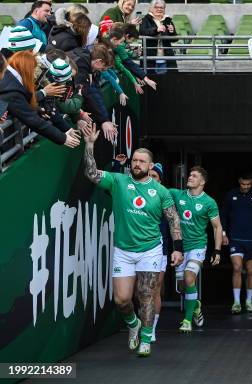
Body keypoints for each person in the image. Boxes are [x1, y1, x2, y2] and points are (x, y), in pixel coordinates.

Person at [81, 123, 183, 357]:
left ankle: (146, 339)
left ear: (150, 166)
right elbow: (91, 173)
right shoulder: (118, 182)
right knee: (122, 300)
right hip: (124, 250)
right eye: (134, 160)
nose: (136, 164)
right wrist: (88, 146)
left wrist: (177, 248)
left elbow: (173, 220)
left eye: (141, 161)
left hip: (150, 250)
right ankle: (133, 324)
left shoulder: (161, 192)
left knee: (145, 295)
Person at [169, 166, 223, 333]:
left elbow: (217, 227)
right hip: (180, 247)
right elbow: (157, 188)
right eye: (190, 175)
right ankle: (196, 305)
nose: (190, 177)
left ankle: (186, 320)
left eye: (194, 176)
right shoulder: (178, 194)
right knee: (182, 287)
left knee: (189, 277)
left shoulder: (209, 202)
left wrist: (217, 250)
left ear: (202, 182)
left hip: (198, 246)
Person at [0, 51, 79, 148]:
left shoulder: (11, 78)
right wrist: (62, 138)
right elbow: (31, 119)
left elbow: (24, 104)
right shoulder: (11, 88)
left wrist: (37, 109)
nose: (35, 76)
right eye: (34, 70)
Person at [221, 173, 252, 314]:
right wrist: (223, 234)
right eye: (243, 184)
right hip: (235, 238)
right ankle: (236, 303)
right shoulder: (231, 195)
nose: (246, 187)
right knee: (237, 268)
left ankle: (248, 301)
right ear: (239, 182)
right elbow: (223, 215)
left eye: (248, 184)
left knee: (251, 271)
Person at [147, 163, 171, 343]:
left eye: (155, 176)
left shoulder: (164, 196)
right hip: (135, 249)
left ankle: (151, 329)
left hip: (159, 250)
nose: (151, 178)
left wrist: (178, 249)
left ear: (160, 180)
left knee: (154, 289)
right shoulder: (134, 193)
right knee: (136, 293)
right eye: (149, 175)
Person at [139, 0, 178, 73]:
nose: (159, 9)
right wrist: (156, 30)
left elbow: (175, 39)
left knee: (168, 81)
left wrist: (172, 32)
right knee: (151, 81)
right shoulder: (145, 19)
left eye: (161, 8)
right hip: (150, 58)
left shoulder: (167, 20)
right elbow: (142, 32)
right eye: (156, 7)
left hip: (166, 58)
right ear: (151, 8)